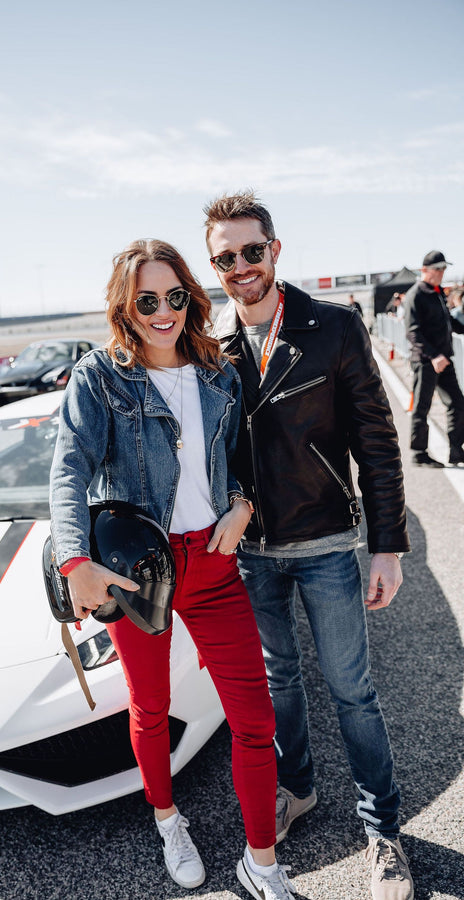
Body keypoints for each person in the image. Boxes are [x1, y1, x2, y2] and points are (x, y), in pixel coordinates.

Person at [49, 239, 295, 900]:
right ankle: (167, 819)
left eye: (175, 297)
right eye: (147, 300)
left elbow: (242, 458)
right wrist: (75, 561)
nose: (163, 312)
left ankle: (262, 865)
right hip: (138, 571)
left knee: (255, 719)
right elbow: (69, 467)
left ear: (191, 296)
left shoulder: (217, 371)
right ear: (125, 308)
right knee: (151, 707)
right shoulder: (101, 375)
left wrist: (242, 503)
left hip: (212, 564)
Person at [204, 191, 413, 900]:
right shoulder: (211, 345)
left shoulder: (334, 327)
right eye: (226, 257)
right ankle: (297, 790)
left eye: (251, 251)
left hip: (326, 540)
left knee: (353, 692)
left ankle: (382, 828)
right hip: (252, 553)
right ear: (216, 266)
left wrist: (387, 545)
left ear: (275, 250)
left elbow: (378, 444)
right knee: (278, 686)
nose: (242, 266)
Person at [403, 250, 464, 467]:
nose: (441, 272)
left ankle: (457, 451)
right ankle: (419, 454)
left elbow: (448, 322)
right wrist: (434, 355)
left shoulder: (437, 292)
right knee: (422, 407)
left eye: (443, 268)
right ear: (424, 270)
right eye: (437, 269)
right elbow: (412, 332)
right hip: (426, 361)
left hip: (444, 360)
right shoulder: (415, 294)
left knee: (457, 404)